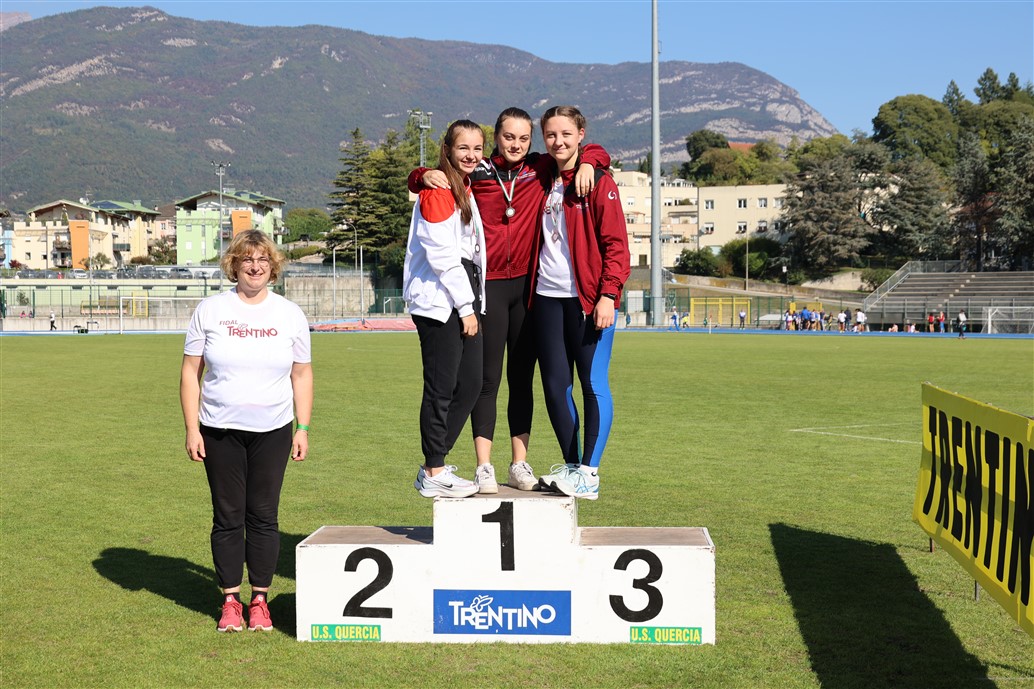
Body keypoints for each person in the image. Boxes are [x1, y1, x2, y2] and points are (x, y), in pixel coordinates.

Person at [409, 108, 609, 494]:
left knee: (522, 380)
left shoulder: (540, 168)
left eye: (523, 138)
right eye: (508, 137)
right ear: (496, 138)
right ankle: (483, 466)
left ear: (531, 142)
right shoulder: (478, 171)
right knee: (485, 380)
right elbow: (433, 174)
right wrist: (419, 175)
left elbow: (591, 150)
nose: (515, 145)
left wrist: (590, 161)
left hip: (527, 289)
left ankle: (519, 463)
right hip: (487, 289)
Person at [179, 229, 313, 634]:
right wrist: (192, 428)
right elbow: (190, 372)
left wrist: (303, 427)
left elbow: (301, 374)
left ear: (273, 266)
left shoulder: (289, 314)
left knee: (264, 516)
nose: (255, 266)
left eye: (263, 259)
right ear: (234, 265)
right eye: (247, 259)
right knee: (227, 516)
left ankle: (260, 601)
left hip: (273, 430)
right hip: (219, 429)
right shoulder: (210, 310)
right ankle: (230, 601)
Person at [531, 106, 630, 500]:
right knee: (556, 387)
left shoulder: (599, 181)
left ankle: (590, 473)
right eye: (551, 135)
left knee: (592, 383)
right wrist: (421, 175)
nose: (558, 141)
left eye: (566, 134)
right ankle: (572, 468)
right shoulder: (540, 175)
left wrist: (609, 294)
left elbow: (617, 245)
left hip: (589, 301)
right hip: (546, 298)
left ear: (581, 134)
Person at [404, 120, 489, 499]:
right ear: (448, 150)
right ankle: (435, 468)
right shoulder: (438, 190)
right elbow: (442, 257)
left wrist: (417, 174)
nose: (471, 155)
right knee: (441, 387)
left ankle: (432, 465)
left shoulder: (464, 184)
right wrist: (466, 307)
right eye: (463, 148)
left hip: (463, 292)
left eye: (477, 148)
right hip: (440, 301)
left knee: (470, 384)